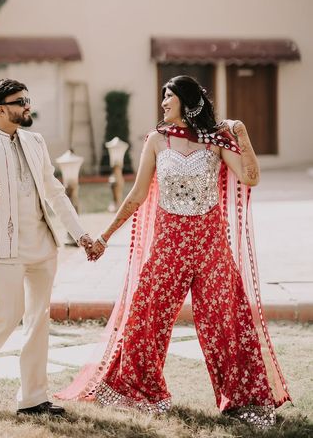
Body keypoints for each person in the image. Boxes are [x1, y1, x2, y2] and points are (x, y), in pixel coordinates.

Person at [56, 75, 291, 429]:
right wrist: (104, 236)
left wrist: (240, 132)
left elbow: (251, 177)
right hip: (169, 248)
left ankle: (244, 399)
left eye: (169, 96)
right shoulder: (157, 140)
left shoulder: (215, 140)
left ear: (186, 100)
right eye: (163, 96)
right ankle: (137, 391)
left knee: (226, 321)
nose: (164, 102)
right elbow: (136, 196)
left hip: (212, 248)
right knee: (146, 318)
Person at [0, 78, 93, 416]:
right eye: (19, 102)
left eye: (26, 100)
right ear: (0, 109)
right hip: (5, 251)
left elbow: (54, 191)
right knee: (7, 315)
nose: (27, 106)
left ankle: (33, 398)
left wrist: (79, 234)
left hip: (43, 247)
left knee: (38, 320)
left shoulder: (36, 141)